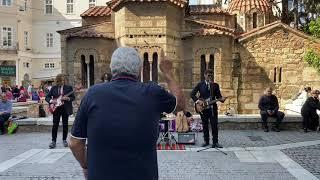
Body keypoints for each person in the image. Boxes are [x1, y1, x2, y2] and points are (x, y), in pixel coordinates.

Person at [68, 47, 185, 180]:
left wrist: (86, 166)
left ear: (112, 68)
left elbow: (75, 143)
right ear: (139, 70)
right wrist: (168, 74)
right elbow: (180, 105)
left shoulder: (92, 94)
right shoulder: (153, 93)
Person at [190, 69, 226, 148]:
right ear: (204, 75)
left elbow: (219, 97)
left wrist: (222, 99)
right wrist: (198, 102)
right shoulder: (200, 85)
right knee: (205, 125)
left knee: (214, 125)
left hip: (212, 109)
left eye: (211, 75)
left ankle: (215, 142)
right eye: (208, 75)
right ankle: (206, 141)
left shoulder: (215, 85)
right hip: (203, 109)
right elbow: (192, 94)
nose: (209, 77)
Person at [45, 74, 75, 149]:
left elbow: (73, 97)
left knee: (65, 125)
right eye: (61, 80)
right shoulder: (53, 88)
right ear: (57, 81)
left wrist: (67, 98)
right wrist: (52, 101)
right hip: (56, 109)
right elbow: (47, 97)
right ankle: (53, 141)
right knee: (55, 125)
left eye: (63, 80)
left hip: (65, 108)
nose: (63, 81)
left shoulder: (69, 87)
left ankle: (64, 140)